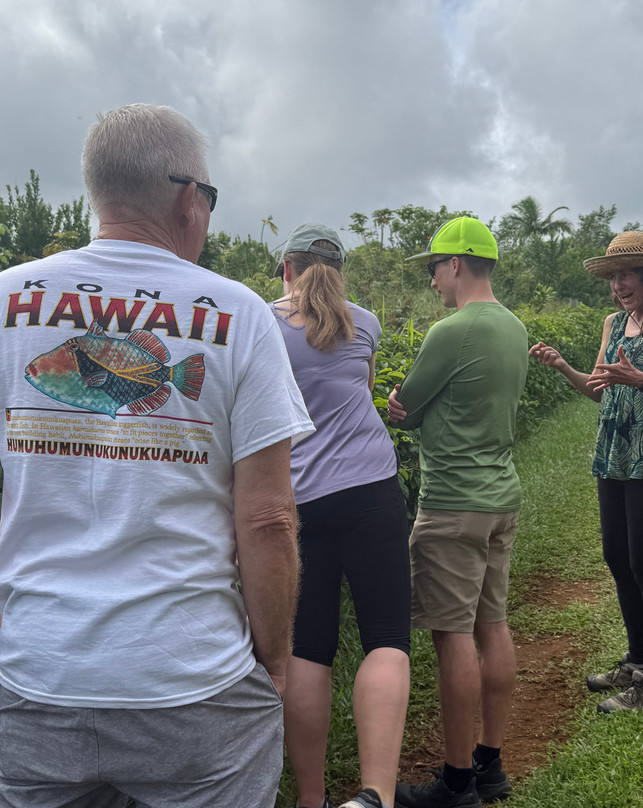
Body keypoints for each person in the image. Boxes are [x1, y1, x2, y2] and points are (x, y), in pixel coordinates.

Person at [0, 103, 315, 808]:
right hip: (196, 679)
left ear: (98, 195)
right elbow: (267, 519)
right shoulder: (241, 313)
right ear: (190, 200)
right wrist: (274, 661)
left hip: (42, 674)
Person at [529, 230, 643, 713]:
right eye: (612, 277)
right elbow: (600, 388)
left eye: (626, 275)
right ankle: (637, 660)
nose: (618, 285)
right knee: (618, 559)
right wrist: (564, 366)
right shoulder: (615, 322)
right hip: (614, 456)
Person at [270, 223, 411, 808]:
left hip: (298, 501)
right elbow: (365, 389)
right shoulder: (366, 323)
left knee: (308, 646)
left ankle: (311, 798)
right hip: (373, 489)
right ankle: (374, 794)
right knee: (385, 639)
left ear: (286, 268)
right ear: (340, 271)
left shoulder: (260, 323)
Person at [388, 217, 528, 808]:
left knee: (453, 640)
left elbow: (406, 407)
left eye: (433, 270)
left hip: (452, 504)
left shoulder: (452, 330)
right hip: (500, 497)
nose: (433, 282)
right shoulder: (514, 327)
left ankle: (454, 781)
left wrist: (404, 408)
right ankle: (490, 764)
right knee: (491, 625)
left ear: (455, 265)